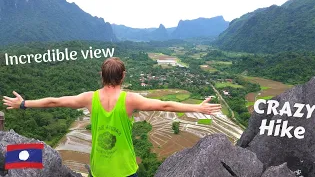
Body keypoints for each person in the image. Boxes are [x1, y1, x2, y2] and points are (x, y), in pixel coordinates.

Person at [3, 57, 221, 177]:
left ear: (102, 75)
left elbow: (54, 101)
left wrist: (23, 103)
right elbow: (165, 104)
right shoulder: (130, 100)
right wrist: (198, 108)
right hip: (125, 170)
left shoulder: (90, 98)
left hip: (100, 170)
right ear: (123, 75)